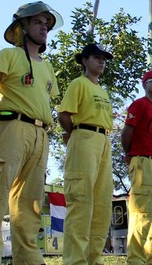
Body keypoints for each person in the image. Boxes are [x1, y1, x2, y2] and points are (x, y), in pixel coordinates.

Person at [0, 2, 62, 264]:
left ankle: (29, 260)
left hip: (40, 135)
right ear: (22, 27)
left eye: (46, 23)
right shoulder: (8, 55)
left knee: (30, 205)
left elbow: (45, 100)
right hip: (11, 129)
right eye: (37, 22)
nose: (44, 27)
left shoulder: (46, 67)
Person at [58, 43, 114, 265]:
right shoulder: (78, 84)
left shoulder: (102, 91)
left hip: (104, 140)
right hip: (83, 136)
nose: (101, 61)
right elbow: (64, 115)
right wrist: (76, 135)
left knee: (101, 203)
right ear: (84, 61)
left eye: (104, 58)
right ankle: (75, 260)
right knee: (81, 201)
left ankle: (94, 258)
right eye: (96, 57)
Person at [121, 69, 152, 265]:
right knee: (142, 214)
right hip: (141, 161)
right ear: (145, 84)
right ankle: (136, 260)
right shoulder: (139, 105)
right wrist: (130, 155)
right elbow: (127, 132)